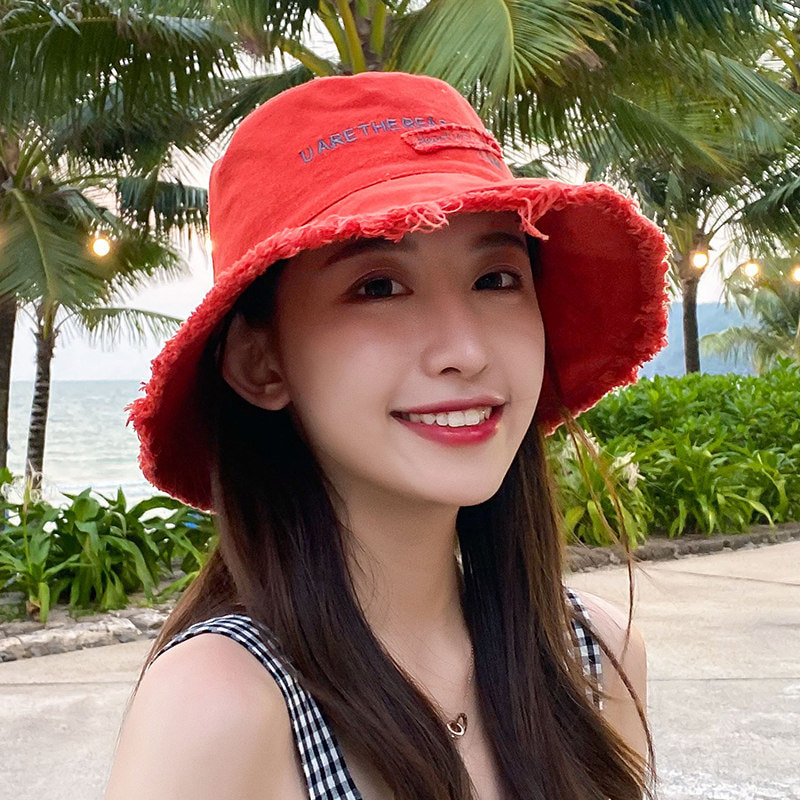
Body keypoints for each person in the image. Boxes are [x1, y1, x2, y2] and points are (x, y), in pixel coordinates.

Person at [105, 71, 669, 800]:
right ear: (260, 361)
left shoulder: (593, 658)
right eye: (378, 287)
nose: (465, 350)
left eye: (497, 278)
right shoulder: (220, 709)